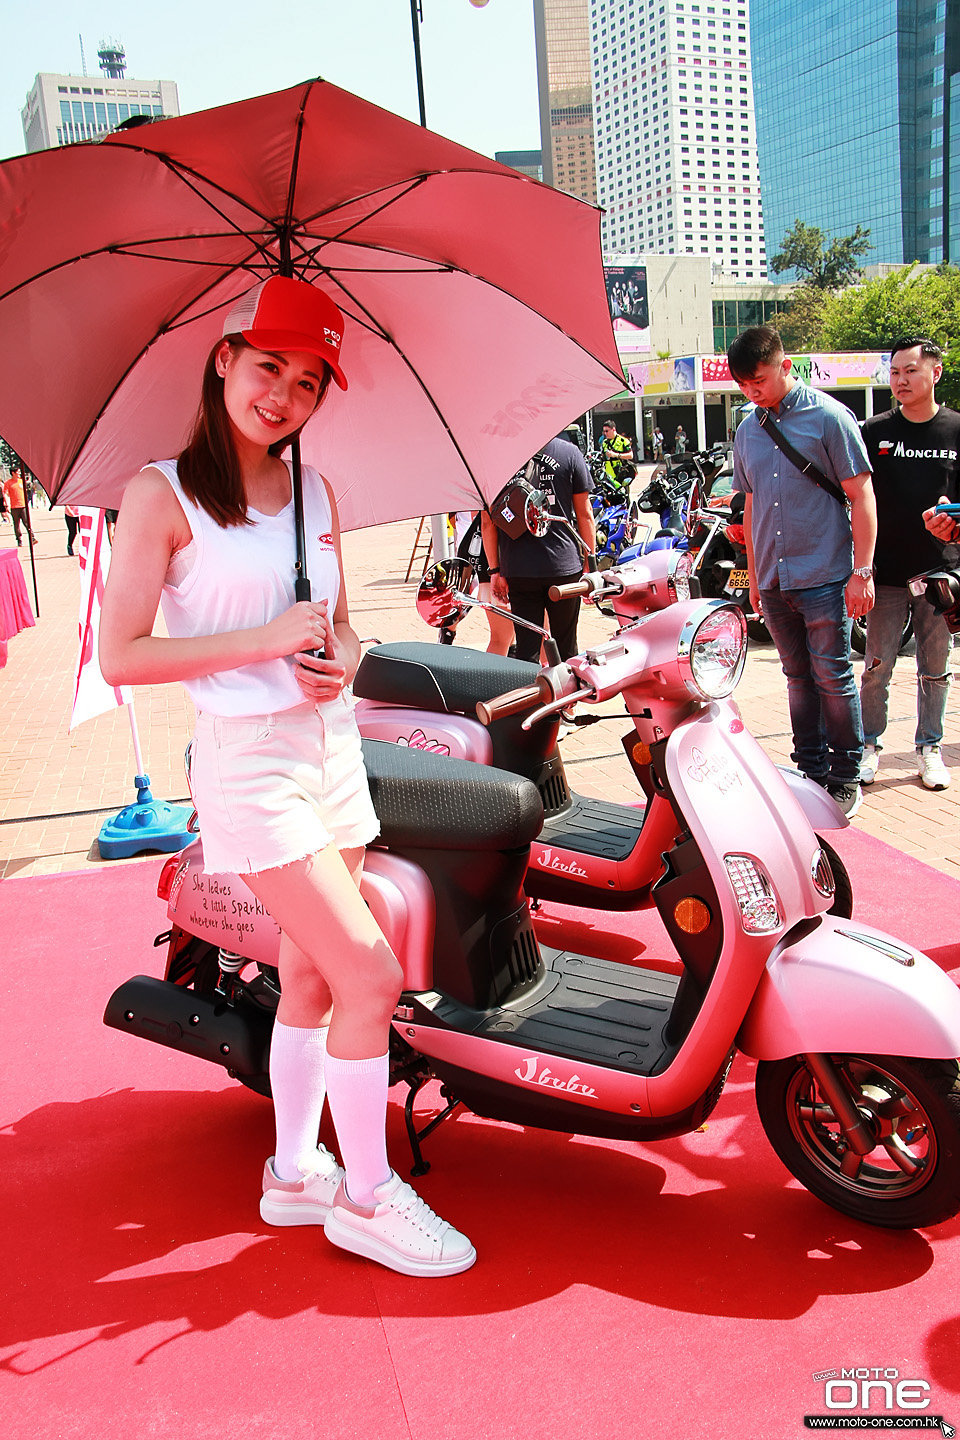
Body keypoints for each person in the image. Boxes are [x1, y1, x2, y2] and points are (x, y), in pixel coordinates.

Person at [99, 275, 475, 1278]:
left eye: (309, 381)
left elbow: (343, 627)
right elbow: (122, 655)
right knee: (372, 973)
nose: (284, 396)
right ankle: (365, 1194)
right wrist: (258, 639)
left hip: (329, 742)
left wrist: (338, 656)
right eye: (269, 367)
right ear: (223, 359)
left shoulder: (317, 492)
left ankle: (293, 1171)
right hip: (247, 760)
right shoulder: (161, 493)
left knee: (312, 971)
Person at [729, 325, 876, 817]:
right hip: (772, 579)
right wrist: (750, 575)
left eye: (760, 380)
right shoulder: (747, 428)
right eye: (744, 385)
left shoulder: (830, 418)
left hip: (827, 575)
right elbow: (750, 505)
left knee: (833, 676)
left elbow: (861, 495)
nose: (753, 392)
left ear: (785, 366)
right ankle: (809, 771)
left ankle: (843, 775)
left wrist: (864, 571)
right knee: (796, 677)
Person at [859, 339, 958, 791]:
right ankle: (869, 745)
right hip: (886, 572)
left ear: (935, 373)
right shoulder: (872, 431)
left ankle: (929, 746)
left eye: (911, 371)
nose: (900, 380)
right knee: (877, 666)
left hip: (939, 571)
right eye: (895, 372)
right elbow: (855, 499)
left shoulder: (956, 430)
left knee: (935, 667)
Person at [480, 434, 596, 669]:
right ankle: (568, 705)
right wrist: (590, 564)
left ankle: (530, 704)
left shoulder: (496, 459)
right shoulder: (569, 453)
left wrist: (495, 570)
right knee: (566, 645)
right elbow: (584, 514)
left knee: (527, 649)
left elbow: (487, 522)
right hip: (563, 566)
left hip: (519, 569)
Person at [600, 419, 635, 492]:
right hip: (609, 476)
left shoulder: (623, 441)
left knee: (623, 496)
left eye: (607, 431)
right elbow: (603, 456)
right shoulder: (604, 442)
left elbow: (630, 455)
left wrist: (616, 455)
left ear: (613, 429)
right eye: (604, 431)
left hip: (620, 474)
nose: (605, 433)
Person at [3, 470, 36, 547]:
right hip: (14, 507)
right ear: (13, 473)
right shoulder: (8, 483)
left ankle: (32, 537)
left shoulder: (22, 481)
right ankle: (19, 539)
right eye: (17, 472)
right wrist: (6, 505)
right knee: (16, 524)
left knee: (27, 523)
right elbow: (4, 494)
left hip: (23, 506)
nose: (19, 473)